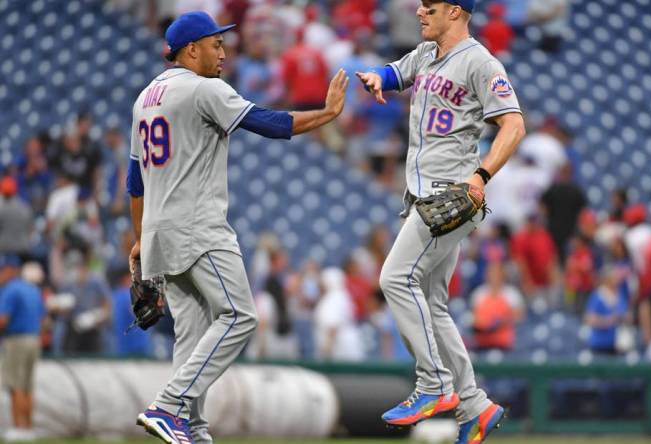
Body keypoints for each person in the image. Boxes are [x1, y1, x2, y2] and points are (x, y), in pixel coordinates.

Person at [130, 11, 348, 444]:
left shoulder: (144, 98)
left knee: (191, 338)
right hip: (197, 226)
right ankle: (168, 406)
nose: (224, 52)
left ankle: (192, 429)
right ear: (192, 49)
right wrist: (327, 113)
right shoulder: (203, 88)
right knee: (240, 317)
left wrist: (139, 239)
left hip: (159, 233)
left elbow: (134, 180)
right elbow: (268, 123)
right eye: (216, 44)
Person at [355, 1, 526, 441]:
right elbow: (398, 71)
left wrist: (482, 174)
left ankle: (433, 383)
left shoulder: (480, 62)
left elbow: (513, 126)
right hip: (422, 195)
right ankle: (474, 404)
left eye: (429, 6)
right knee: (432, 304)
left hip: (451, 194)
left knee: (394, 278)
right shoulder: (428, 53)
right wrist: (379, 77)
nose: (418, 11)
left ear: (455, 11)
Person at [0, 255, 46, 442]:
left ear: (10, 270)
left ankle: (18, 428)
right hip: (34, 339)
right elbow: (43, 319)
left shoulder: (10, 289)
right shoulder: (32, 289)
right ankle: (28, 428)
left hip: (16, 340)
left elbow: (3, 320)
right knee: (28, 387)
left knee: (15, 386)